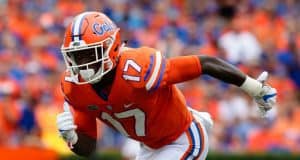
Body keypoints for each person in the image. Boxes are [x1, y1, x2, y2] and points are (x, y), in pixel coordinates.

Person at [56, 11, 277, 160]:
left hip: (182, 139)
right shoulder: (75, 87)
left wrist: (253, 87)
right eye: (77, 57)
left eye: (88, 54)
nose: (83, 64)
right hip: (149, 147)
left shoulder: (137, 68)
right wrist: (72, 139)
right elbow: (88, 148)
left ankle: (193, 118)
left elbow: (203, 64)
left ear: (111, 47)